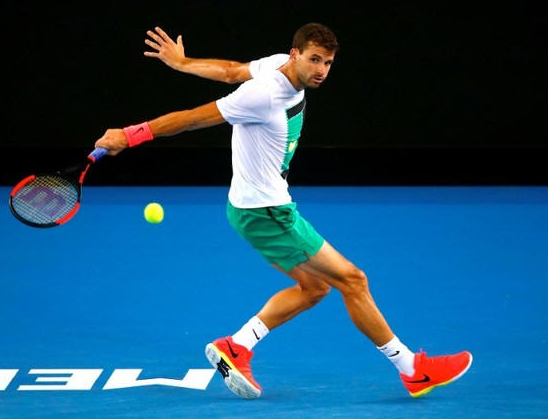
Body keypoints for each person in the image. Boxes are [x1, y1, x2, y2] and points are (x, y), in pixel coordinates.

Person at [94, 23, 472, 399]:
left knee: (315, 288)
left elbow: (230, 71)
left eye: (328, 62)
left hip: (251, 210)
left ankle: (237, 346)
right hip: (269, 213)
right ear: (296, 55)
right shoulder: (263, 95)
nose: (321, 70)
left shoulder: (277, 64)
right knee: (353, 280)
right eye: (314, 60)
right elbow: (193, 118)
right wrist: (130, 135)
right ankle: (413, 370)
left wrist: (183, 63)